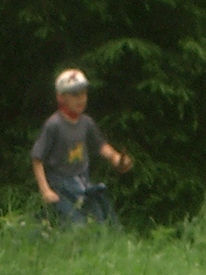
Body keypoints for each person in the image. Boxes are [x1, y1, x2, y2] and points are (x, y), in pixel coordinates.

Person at [31, 69, 131, 226]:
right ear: (60, 97)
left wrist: (116, 158)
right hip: (60, 186)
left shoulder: (86, 123)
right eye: (74, 95)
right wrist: (45, 191)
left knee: (101, 222)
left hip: (82, 182)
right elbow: (37, 158)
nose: (81, 99)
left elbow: (101, 146)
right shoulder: (54, 125)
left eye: (83, 94)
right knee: (76, 226)